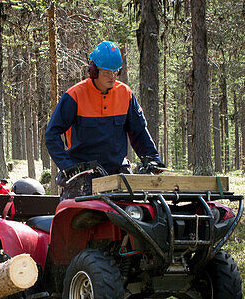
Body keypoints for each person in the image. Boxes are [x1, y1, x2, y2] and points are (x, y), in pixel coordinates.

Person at [44, 41, 163, 198]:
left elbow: (139, 132)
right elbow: (51, 134)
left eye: (116, 72)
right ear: (94, 71)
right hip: (82, 173)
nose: (112, 77)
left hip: (117, 171)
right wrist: (67, 166)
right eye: (107, 72)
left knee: (139, 213)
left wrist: (152, 159)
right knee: (74, 216)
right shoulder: (75, 95)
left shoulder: (125, 94)